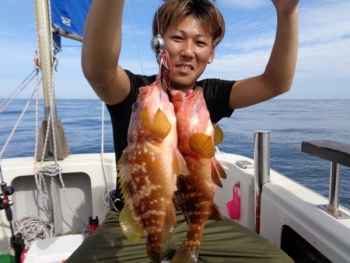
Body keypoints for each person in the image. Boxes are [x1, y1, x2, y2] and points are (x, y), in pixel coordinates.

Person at [67, 0, 299, 262]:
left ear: (211, 53)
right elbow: (99, 71)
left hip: (195, 215)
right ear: (159, 43)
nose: (188, 51)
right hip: (141, 213)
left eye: (200, 43)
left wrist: (287, 12)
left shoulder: (207, 95)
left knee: (277, 260)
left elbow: (276, 82)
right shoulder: (138, 94)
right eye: (177, 38)